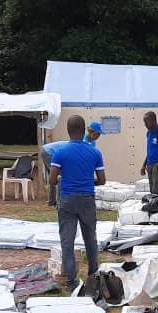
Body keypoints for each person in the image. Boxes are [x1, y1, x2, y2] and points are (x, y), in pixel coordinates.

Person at [49, 115, 106, 290]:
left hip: (67, 199)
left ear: (68, 131)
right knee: (90, 238)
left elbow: (52, 180)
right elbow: (102, 180)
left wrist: (65, 177)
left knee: (67, 240)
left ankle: (71, 281)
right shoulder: (95, 152)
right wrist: (88, 182)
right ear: (84, 131)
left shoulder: (60, 152)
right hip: (87, 199)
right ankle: (93, 275)